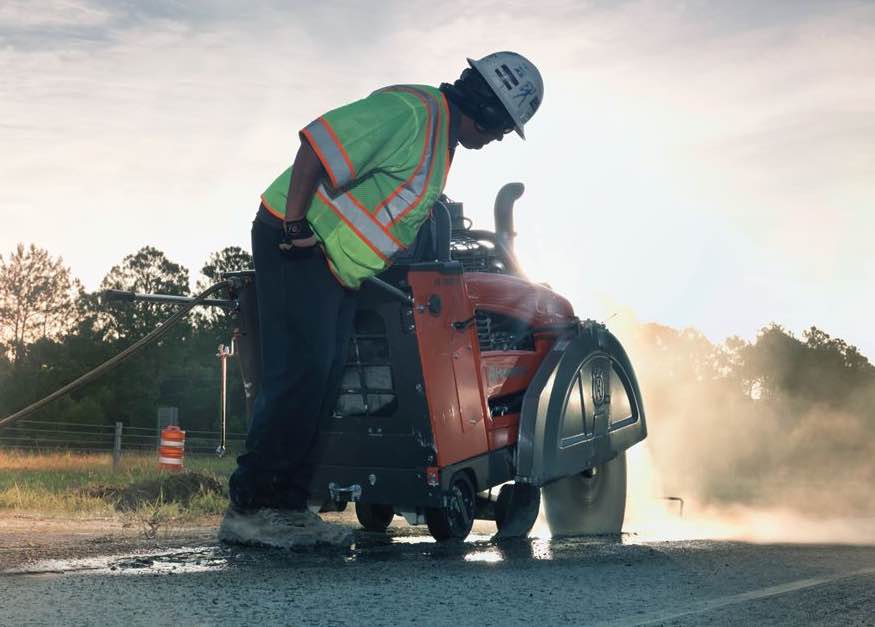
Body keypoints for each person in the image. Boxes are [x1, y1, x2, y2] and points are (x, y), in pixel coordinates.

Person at [219, 52, 544, 548]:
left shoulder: (441, 140)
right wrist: (293, 224)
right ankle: (251, 507)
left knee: (324, 382)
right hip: (298, 244)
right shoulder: (413, 114)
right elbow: (318, 142)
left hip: (335, 267)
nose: (498, 139)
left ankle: (284, 508)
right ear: (489, 109)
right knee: (299, 375)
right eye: (502, 129)